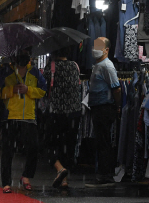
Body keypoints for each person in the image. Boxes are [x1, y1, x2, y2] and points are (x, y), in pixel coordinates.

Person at [0, 48, 47, 193]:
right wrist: (12, 90)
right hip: (10, 116)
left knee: (34, 148)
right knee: (7, 151)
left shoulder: (35, 72)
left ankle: (26, 176)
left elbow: (43, 90)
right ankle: (6, 183)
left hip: (29, 117)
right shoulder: (5, 72)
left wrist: (28, 89)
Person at [42, 46, 82, 189]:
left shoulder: (51, 67)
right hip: (74, 113)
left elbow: (44, 88)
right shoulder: (75, 66)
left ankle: (60, 169)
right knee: (68, 145)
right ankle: (65, 179)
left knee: (49, 144)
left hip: (56, 112)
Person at [85, 37, 122, 188]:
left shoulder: (107, 66)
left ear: (107, 49)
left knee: (104, 142)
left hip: (104, 108)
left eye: (99, 46)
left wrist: (117, 106)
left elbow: (117, 88)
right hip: (97, 107)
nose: (95, 48)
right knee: (101, 141)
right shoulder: (98, 65)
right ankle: (102, 174)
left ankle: (105, 175)